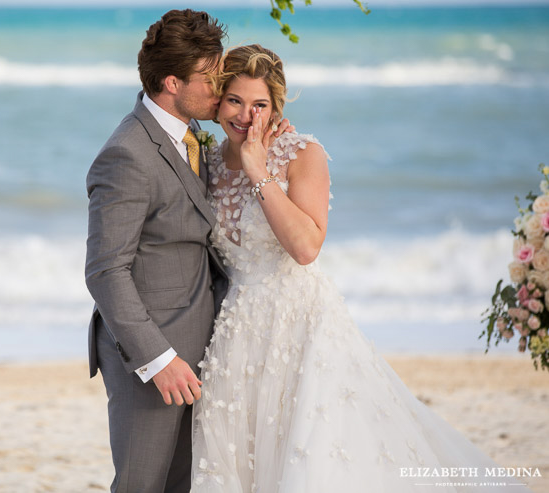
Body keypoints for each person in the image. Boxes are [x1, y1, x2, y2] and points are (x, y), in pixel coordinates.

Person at [190, 44, 533, 492]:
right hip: (236, 333)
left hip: (301, 325)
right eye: (235, 101)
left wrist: (259, 173)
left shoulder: (302, 153)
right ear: (217, 102)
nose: (246, 117)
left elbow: (306, 247)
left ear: (276, 107)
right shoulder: (207, 163)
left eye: (260, 105)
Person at [86, 9, 232, 493]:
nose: (220, 87)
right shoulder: (127, 153)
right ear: (172, 82)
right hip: (151, 362)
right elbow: (106, 271)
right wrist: (158, 360)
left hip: (200, 349)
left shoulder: (193, 138)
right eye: (210, 79)